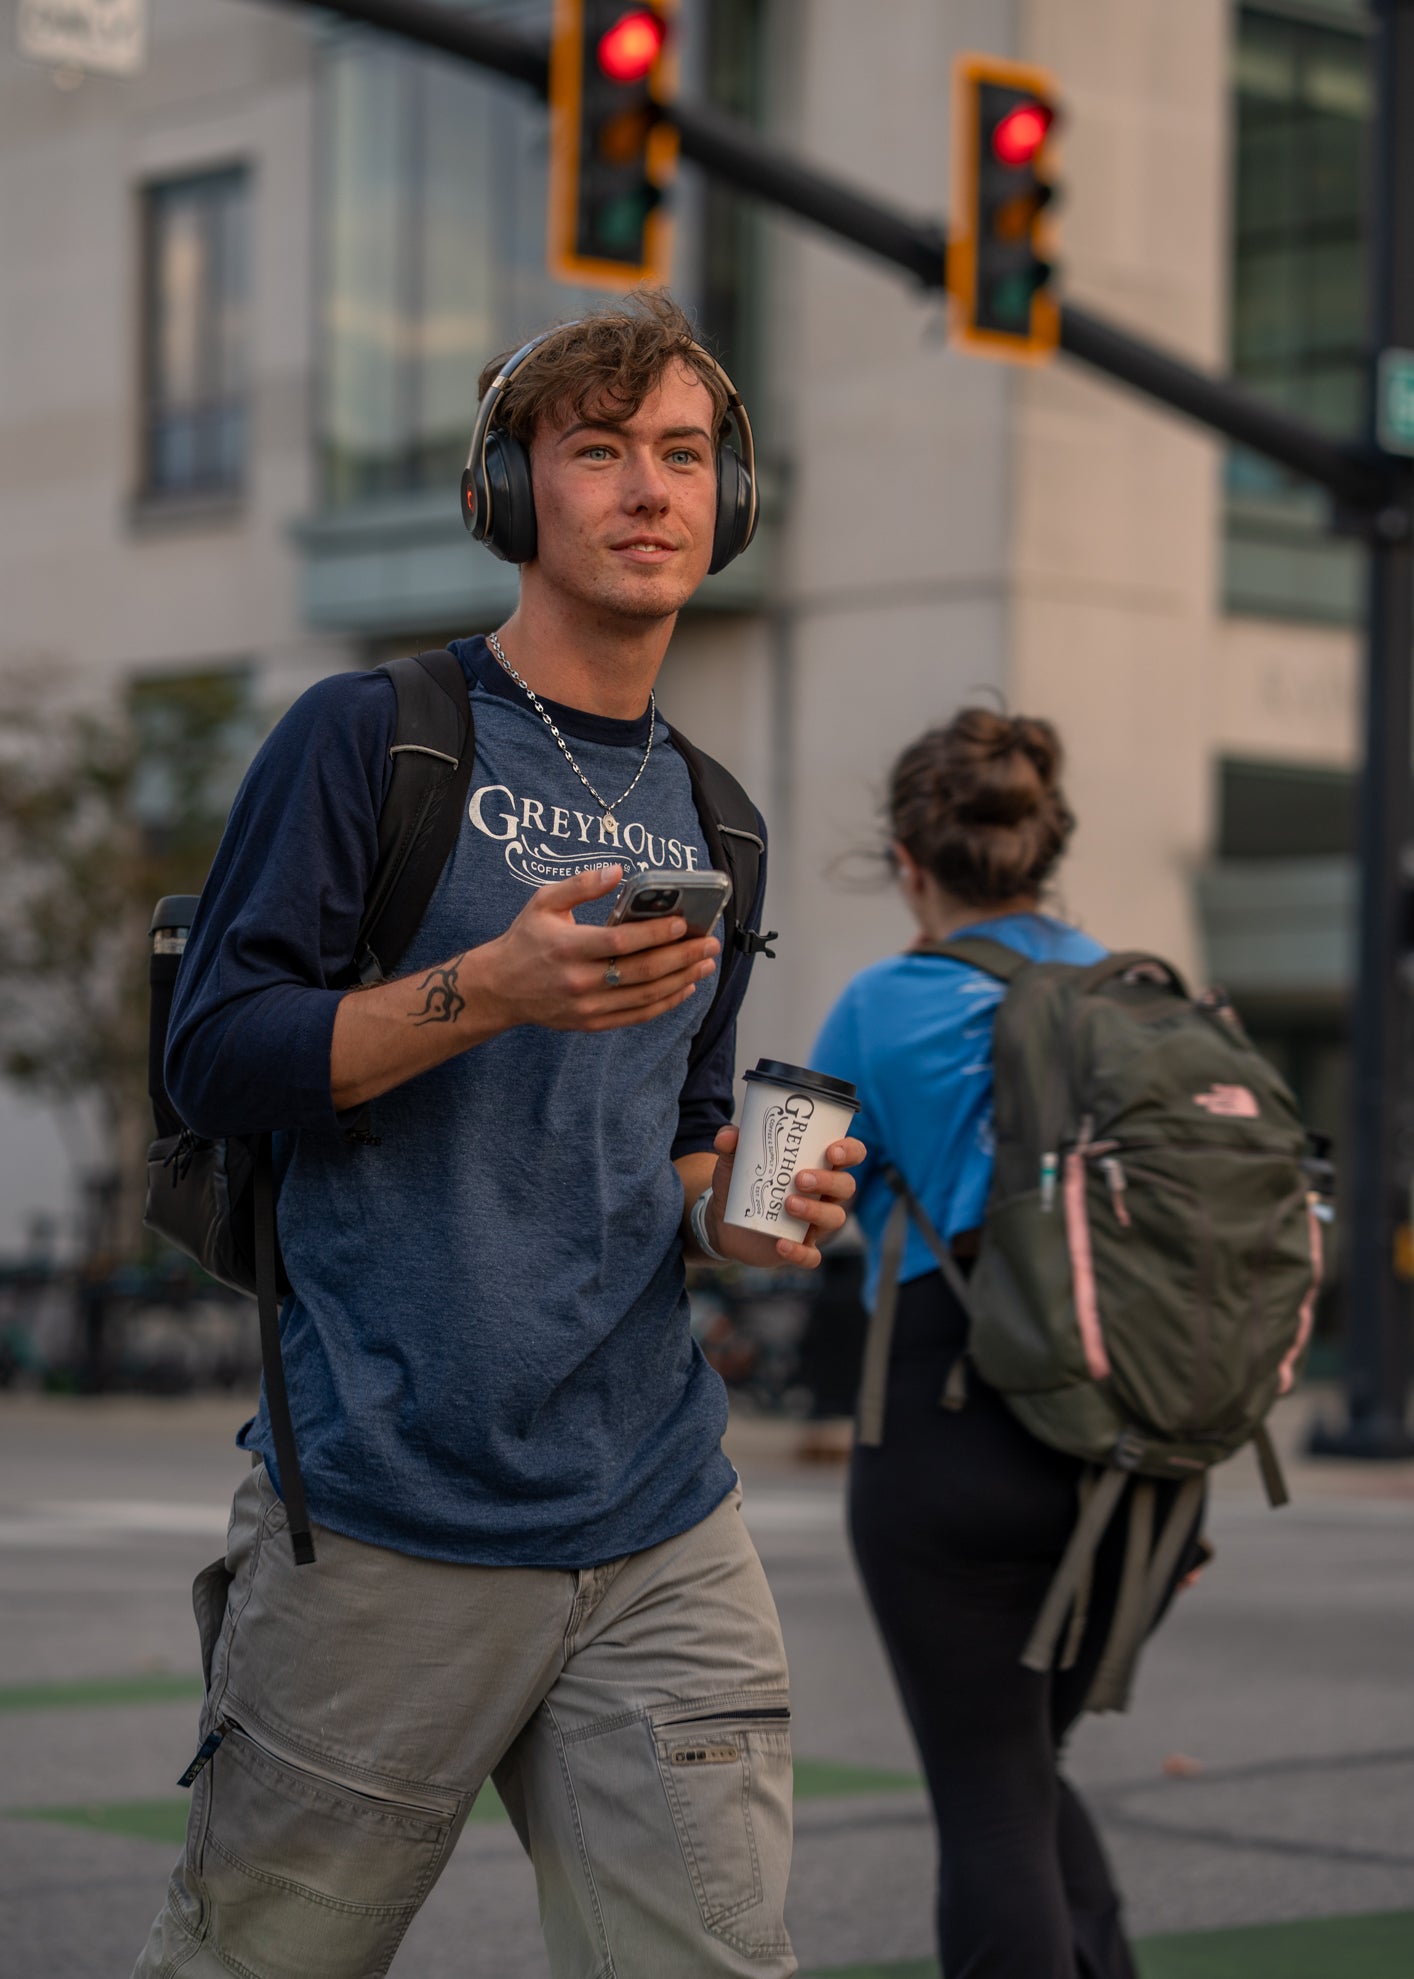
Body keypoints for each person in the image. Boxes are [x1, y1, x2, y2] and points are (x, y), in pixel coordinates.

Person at [133, 292, 864, 1979]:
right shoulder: (369, 738)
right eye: (595, 451)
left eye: (683, 455)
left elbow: (678, 1134)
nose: (648, 488)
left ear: (729, 505)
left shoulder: (718, 816)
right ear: (503, 497)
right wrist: (489, 984)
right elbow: (217, 1060)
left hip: (656, 1510)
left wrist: (736, 1216)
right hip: (388, 1513)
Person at [812, 709, 1201, 1979]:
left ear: (909, 862)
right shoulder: (1145, 992)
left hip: (954, 1411)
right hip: (1147, 1433)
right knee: (1024, 1763)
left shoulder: (879, 1004)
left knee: (986, 1785)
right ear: (1047, 850)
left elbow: (764, 1205)